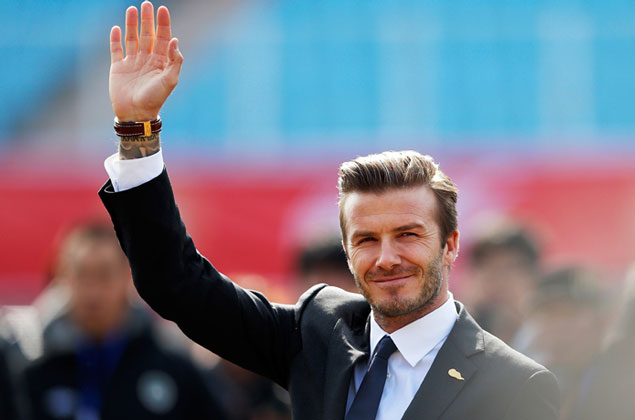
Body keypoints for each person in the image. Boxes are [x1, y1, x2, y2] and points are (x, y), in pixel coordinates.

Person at [99, 2, 560, 419]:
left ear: (450, 244)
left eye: (407, 235)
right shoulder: (320, 330)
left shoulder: (515, 385)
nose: (386, 258)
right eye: (366, 240)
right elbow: (176, 284)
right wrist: (138, 131)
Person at [21, 222, 226, 420]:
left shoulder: (172, 364)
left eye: (104, 275)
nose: (92, 292)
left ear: (129, 276)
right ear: (62, 277)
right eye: (81, 275)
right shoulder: (32, 365)